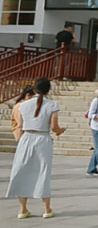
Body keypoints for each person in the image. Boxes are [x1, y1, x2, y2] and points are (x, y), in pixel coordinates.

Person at [6, 77, 65, 219]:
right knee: (43, 171)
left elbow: (20, 125)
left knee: (22, 171)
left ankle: (22, 209)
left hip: (26, 138)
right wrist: (60, 131)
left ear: (34, 88)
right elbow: (54, 127)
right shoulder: (52, 105)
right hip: (42, 138)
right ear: (48, 90)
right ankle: (46, 209)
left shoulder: (23, 105)